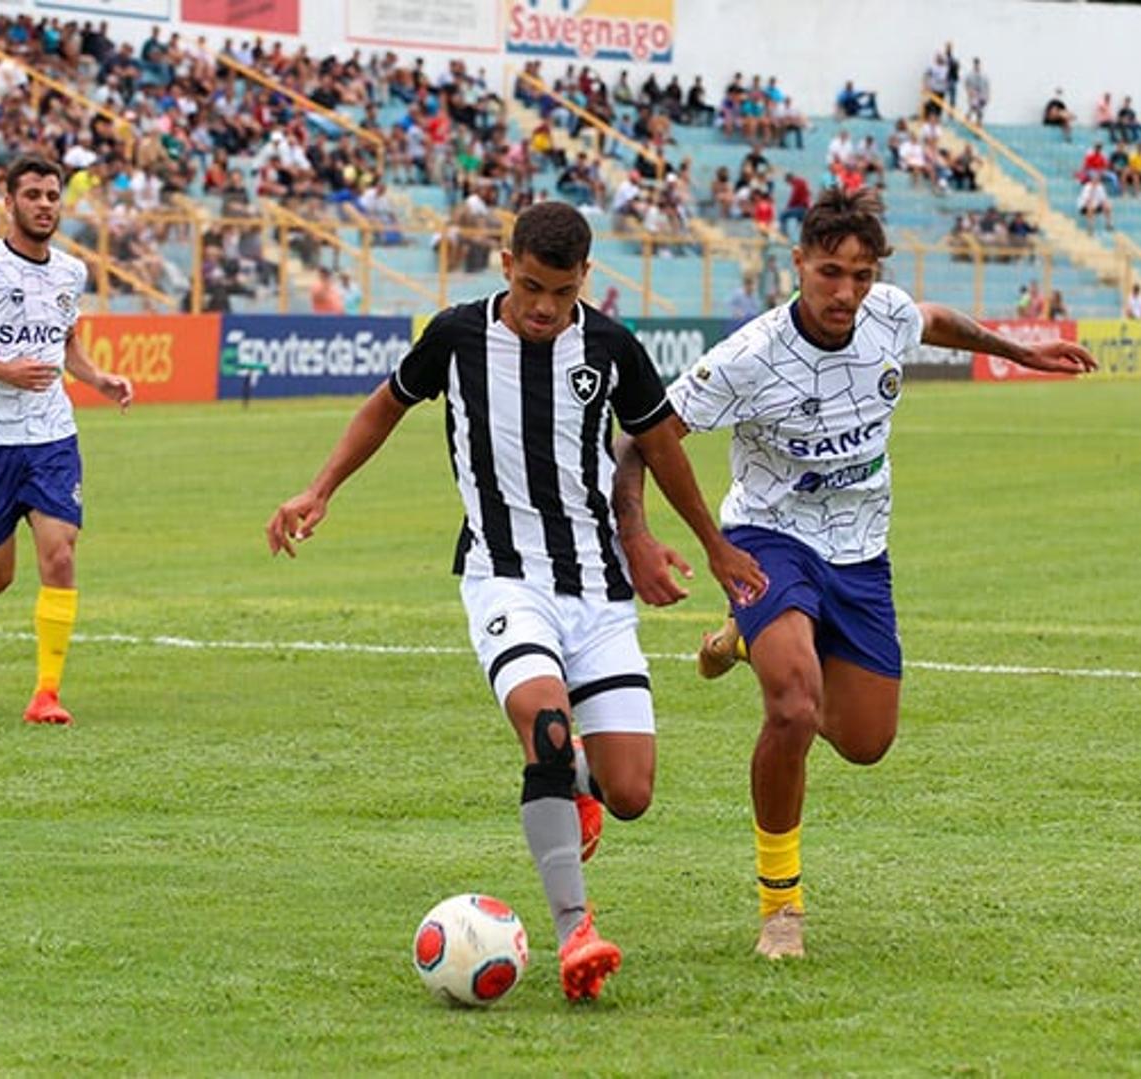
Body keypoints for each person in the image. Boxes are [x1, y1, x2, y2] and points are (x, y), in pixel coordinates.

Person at [264, 200, 767, 1001]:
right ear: (506, 264)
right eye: (531, 286)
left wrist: (708, 542)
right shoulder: (457, 337)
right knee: (544, 721)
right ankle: (577, 931)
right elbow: (383, 407)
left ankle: (578, 792)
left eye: (561, 293)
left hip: (598, 590)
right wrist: (319, 489)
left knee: (630, 791)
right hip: (504, 575)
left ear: (585, 281)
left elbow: (660, 446)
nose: (543, 307)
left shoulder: (610, 347)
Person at [610, 187, 1096, 961]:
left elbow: (936, 319)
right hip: (767, 538)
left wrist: (1021, 351)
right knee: (795, 707)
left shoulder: (885, 316)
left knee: (867, 741)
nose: (845, 292)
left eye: (861, 275)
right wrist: (645, 535)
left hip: (861, 548)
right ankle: (782, 909)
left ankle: (742, 641)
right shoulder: (749, 357)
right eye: (830, 272)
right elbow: (641, 440)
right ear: (798, 262)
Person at [0, 155, 136, 726]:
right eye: (34, 195)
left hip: (52, 435)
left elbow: (65, 344)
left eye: (53, 195)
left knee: (60, 553)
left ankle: (46, 693)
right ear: (9, 201)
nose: (45, 204)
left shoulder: (71, 272)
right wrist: (0, 369)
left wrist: (96, 377)